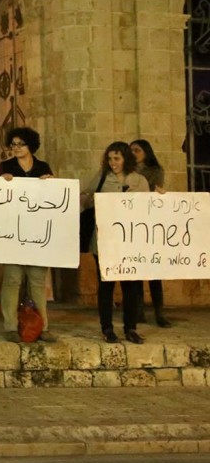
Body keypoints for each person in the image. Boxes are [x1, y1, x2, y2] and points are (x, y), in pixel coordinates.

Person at [0, 128, 56, 342]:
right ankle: (10, 326)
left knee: (37, 280)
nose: (16, 148)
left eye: (21, 144)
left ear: (31, 146)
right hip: (12, 233)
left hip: (37, 233)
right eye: (13, 144)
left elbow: (54, 197)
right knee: (12, 279)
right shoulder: (5, 168)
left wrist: (52, 184)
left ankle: (42, 327)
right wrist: (1, 182)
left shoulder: (42, 167)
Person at [81, 141, 149, 344]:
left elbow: (150, 207)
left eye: (116, 158)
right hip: (104, 240)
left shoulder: (139, 180)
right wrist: (94, 200)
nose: (112, 163)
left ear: (125, 158)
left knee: (131, 286)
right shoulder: (102, 178)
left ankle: (131, 328)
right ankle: (107, 328)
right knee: (106, 285)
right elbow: (86, 199)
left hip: (129, 241)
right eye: (110, 159)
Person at [130, 139, 171, 328]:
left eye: (137, 150)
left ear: (146, 152)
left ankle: (159, 312)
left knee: (154, 272)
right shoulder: (128, 172)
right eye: (131, 151)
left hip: (150, 225)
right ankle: (138, 311)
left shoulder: (155, 171)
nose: (134, 153)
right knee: (136, 271)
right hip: (133, 225)